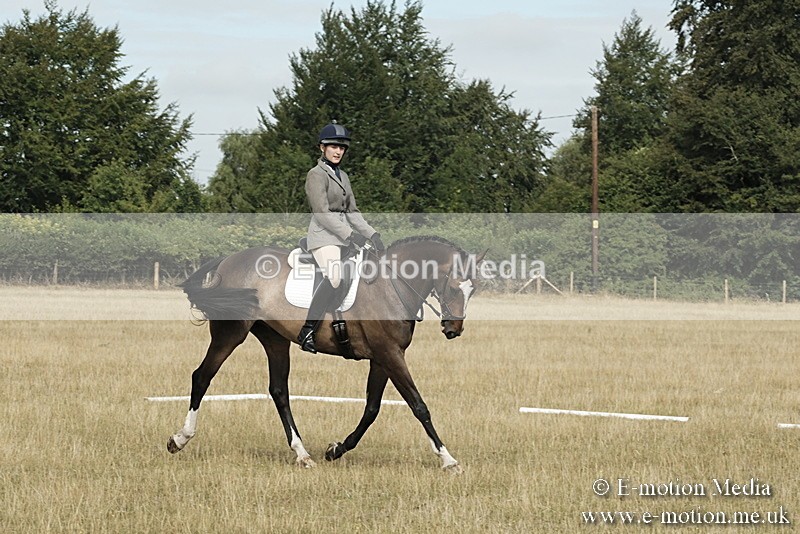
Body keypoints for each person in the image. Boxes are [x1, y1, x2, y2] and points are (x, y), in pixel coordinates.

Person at [297, 123, 385, 353]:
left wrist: (372, 234)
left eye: (342, 148)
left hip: (345, 237)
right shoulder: (315, 175)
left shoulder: (343, 176)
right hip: (324, 237)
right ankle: (307, 329)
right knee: (335, 277)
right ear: (322, 148)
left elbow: (352, 213)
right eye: (333, 147)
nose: (338, 151)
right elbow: (322, 213)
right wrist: (350, 235)